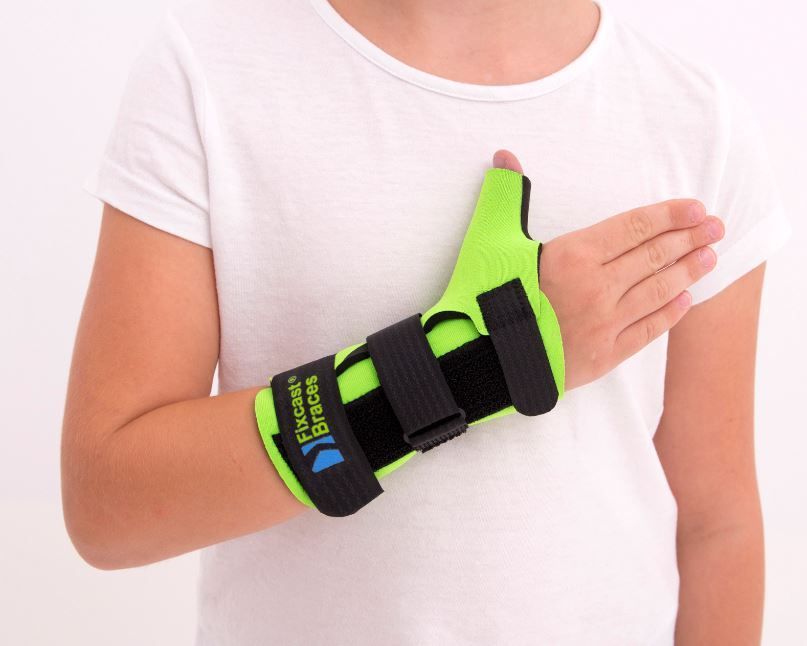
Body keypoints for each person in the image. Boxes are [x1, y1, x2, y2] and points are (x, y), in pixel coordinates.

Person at [62, 0, 790, 643]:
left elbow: (714, 523)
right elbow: (109, 504)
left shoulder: (697, 121)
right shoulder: (211, 69)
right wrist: (486, 360)